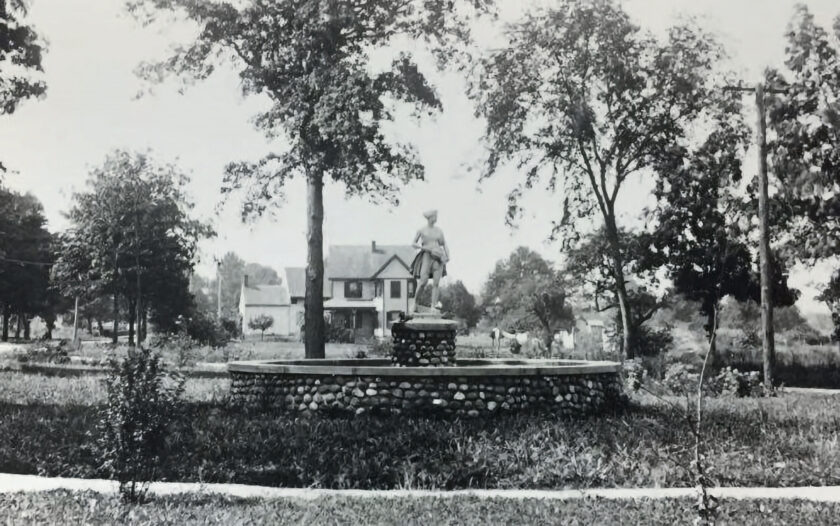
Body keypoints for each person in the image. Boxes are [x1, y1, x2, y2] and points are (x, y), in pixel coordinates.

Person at [410, 209, 449, 313]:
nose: (435, 218)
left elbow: (444, 243)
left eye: (436, 216)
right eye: (434, 217)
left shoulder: (439, 231)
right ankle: (415, 303)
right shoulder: (422, 230)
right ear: (429, 218)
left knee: (436, 282)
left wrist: (447, 255)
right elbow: (413, 243)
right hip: (427, 255)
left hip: (438, 257)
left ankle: (433, 306)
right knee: (423, 281)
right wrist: (423, 248)